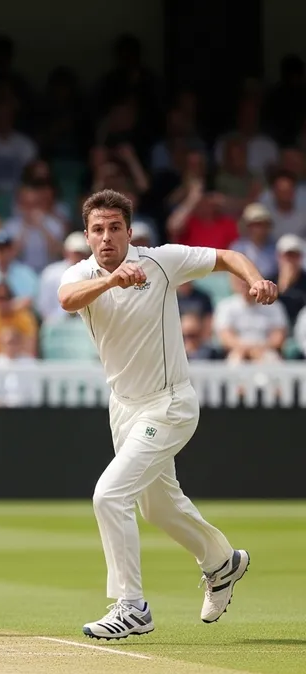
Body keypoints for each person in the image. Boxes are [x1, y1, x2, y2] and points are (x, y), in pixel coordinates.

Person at [57, 189, 278, 640]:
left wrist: (255, 279)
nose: (106, 237)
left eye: (114, 228)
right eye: (97, 229)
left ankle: (131, 606)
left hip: (170, 403)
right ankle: (222, 563)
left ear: (129, 232)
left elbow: (226, 256)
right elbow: (67, 299)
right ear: (86, 235)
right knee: (157, 507)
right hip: (124, 408)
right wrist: (112, 281)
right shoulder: (82, 273)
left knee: (108, 496)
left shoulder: (162, 261)